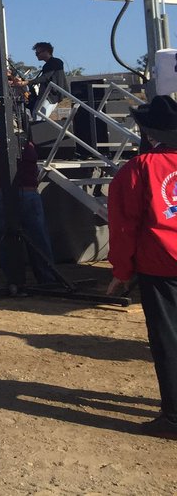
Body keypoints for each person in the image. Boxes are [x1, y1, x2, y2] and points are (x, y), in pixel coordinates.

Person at [106, 95, 177, 440]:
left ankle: (175, 416)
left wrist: (121, 271)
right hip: (161, 263)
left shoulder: (139, 169)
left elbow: (123, 227)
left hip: (162, 265)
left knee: (168, 339)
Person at [0, 134, 61, 284]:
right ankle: (47, 279)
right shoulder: (28, 147)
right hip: (28, 194)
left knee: (4, 239)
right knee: (38, 238)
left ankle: (14, 281)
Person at [28, 41, 67, 120]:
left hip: (52, 96)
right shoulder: (52, 63)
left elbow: (45, 77)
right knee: (58, 123)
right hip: (57, 97)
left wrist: (27, 82)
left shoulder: (55, 62)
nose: (36, 55)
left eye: (37, 53)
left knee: (39, 119)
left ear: (46, 51)